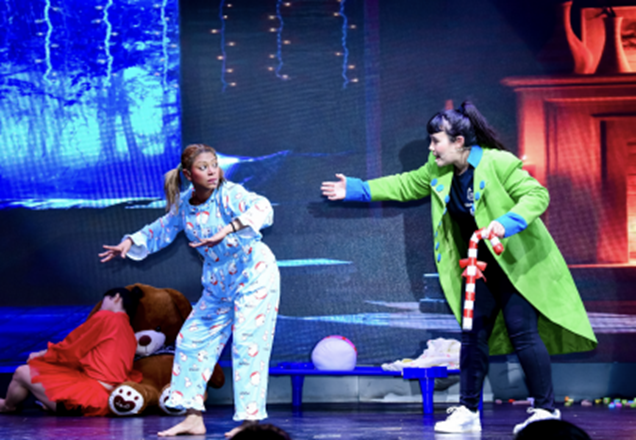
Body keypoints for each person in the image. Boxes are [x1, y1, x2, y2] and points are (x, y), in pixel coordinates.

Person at [320, 102, 597, 434]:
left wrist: (506, 223)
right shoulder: (439, 170)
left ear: (459, 141)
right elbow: (405, 184)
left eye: (436, 141)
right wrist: (357, 189)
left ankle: (545, 410)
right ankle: (468, 410)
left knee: (522, 331)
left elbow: (536, 195)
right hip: (479, 267)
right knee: (472, 336)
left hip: (515, 264)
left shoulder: (498, 163)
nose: (431, 148)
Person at [99, 144, 280, 438]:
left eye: (214, 165)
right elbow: (161, 228)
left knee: (248, 343)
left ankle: (250, 423)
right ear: (187, 174)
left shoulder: (230, 194)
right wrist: (130, 242)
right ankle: (193, 417)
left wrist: (228, 228)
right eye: (203, 167)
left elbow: (263, 208)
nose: (212, 172)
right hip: (219, 282)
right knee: (191, 340)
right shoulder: (185, 204)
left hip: (253, 273)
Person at [0, 287, 142, 416]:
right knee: (48, 372)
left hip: (88, 398)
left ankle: (7, 406)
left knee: (21, 372)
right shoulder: (129, 332)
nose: (100, 306)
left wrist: (39, 355)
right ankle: (45, 403)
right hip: (108, 397)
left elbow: (70, 349)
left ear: (116, 297)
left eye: (103, 301)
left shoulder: (107, 317)